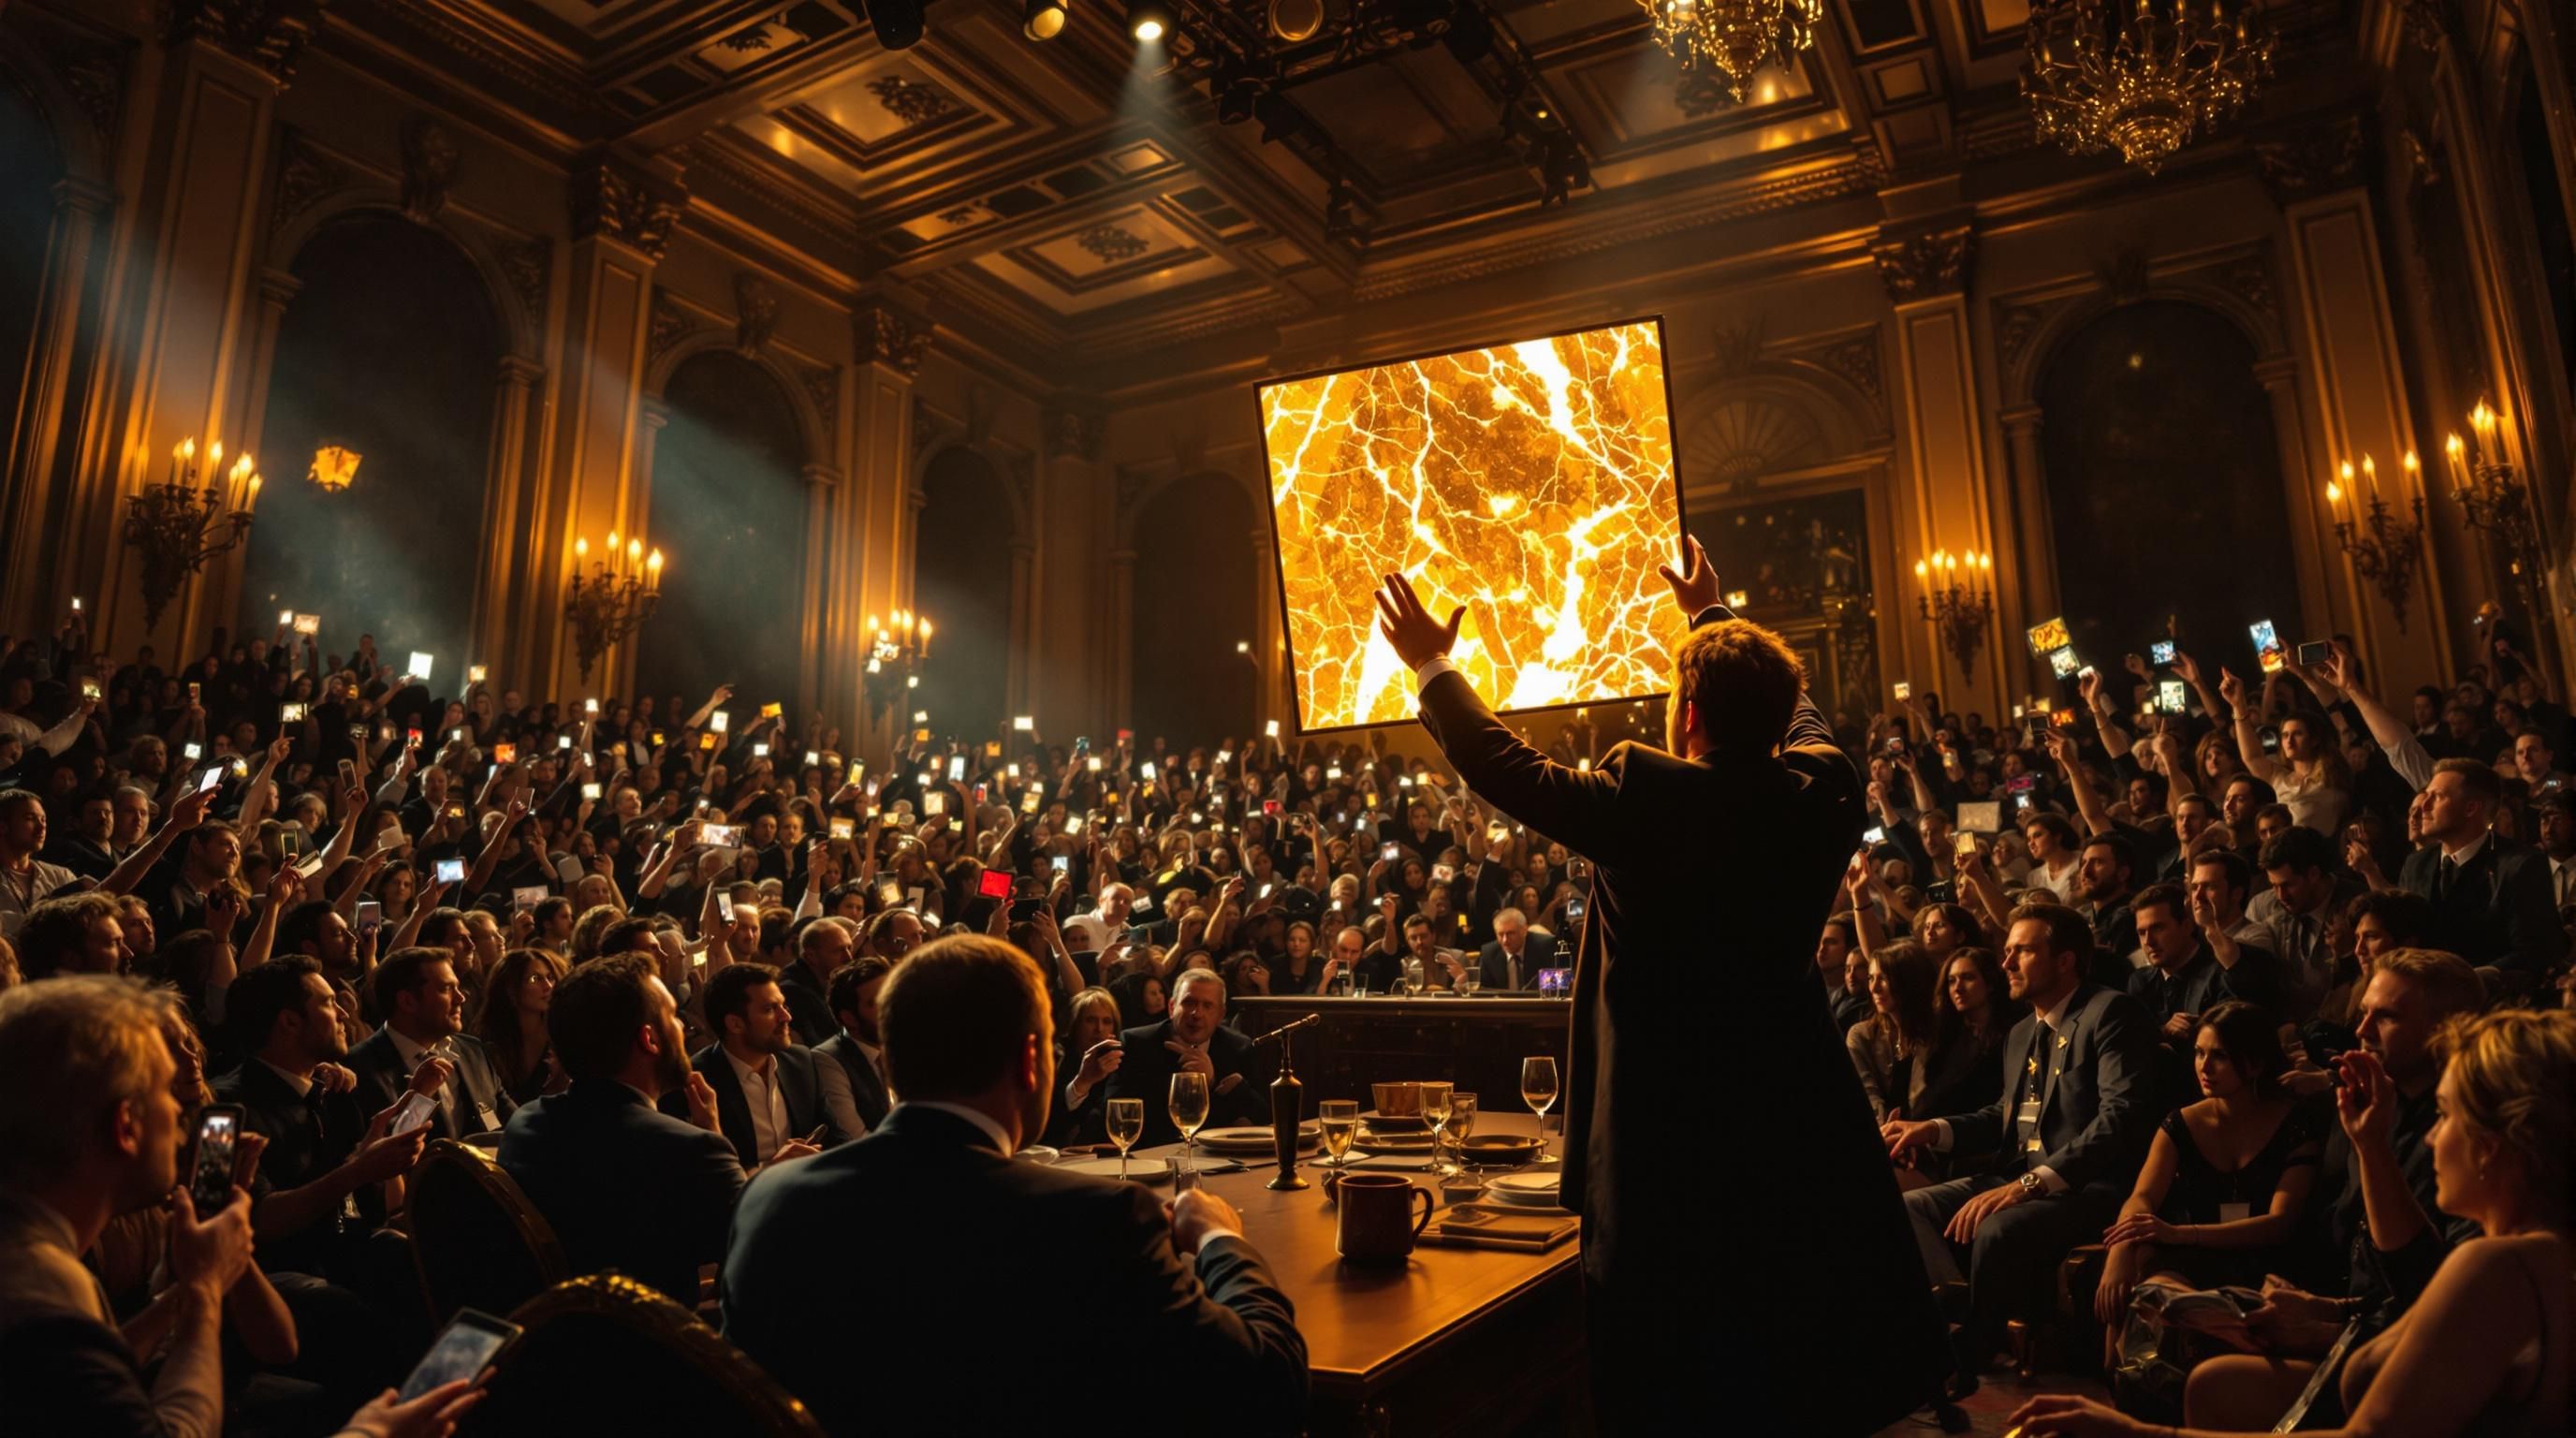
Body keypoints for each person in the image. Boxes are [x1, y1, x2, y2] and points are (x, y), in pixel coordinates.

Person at [1376, 545, 1946, 1434]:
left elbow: (1505, 767)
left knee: (1665, 1361)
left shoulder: (1650, 801)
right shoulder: (1826, 792)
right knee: (1777, 1337)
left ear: (1686, 715)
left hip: (1663, 1130)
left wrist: (1430, 664)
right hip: (1788, 1109)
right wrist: (1718, 622)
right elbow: (1807, 721)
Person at [719, 934, 1307, 1436]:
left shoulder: (770, 1199)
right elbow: (1266, 1385)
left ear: (893, 1063)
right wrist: (1219, 1241)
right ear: (1032, 1060)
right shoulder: (1098, 1220)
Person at [2010, 1006, 2573, 1438]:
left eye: (2447, 1115)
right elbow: (2418, 1284)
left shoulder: (2497, 1266)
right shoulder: (2537, 1249)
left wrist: (2138, 1434)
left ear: (2501, 1141)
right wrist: (2330, 1314)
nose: (2429, 1136)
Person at [0, 975, 476, 1438]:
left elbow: (279, 1341)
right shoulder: (37, 1290)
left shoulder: (40, 1243)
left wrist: (210, 1261)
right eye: (163, 1089)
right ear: (126, 1125)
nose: (184, 1110)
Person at [1883, 903, 2161, 1404]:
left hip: (2088, 1186)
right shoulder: (2020, 1034)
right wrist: (1934, 1129)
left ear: (2065, 961)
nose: (2006, 962)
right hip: (2018, 1179)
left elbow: (2120, 1118)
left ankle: (1969, 1352)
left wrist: (2031, 1185)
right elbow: (2004, 1117)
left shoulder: (2109, 1013)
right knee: (1911, 1207)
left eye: (2023, 951)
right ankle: (1964, 1322)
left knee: (1996, 1226)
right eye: (2007, 951)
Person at [497, 953, 746, 1304]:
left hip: (557, 1336)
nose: (684, 1028)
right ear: (649, 1039)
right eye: (673, 1016)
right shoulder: (691, 1150)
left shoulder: (527, 1123)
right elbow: (757, 1253)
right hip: (658, 1344)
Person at [2091, 1002, 2327, 1338]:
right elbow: (2142, 1196)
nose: (2205, 1067)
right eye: (2199, 1053)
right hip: (2194, 1261)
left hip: (2265, 1262)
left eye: (2220, 1056)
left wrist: (2179, 1233)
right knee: (2153, 1295)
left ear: (2255, 1063)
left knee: (2201, 1309)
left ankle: (2226, 1332)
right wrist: (2120, 1250)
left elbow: (2280, 1224)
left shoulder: (2294, 1125)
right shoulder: (2181, 1123)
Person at [656, 961, 845, 1167]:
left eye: (783, 1005)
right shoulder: (693, 1083)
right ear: (735, 1024)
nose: (786, 1017)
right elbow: (695, 1175)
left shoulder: (800, 1061)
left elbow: (834, 1137)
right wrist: (771, 1169)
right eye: (770, 1009)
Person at [2398, 758, 2567, 980]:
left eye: (2437, 796)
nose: (2423, 805)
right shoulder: (2416, 864)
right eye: (2426, 795)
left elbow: (2535, 949)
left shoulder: (2520, 865)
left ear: (2471, 808)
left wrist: (2470, 979)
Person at [345, 946, 516, 1143]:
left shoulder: (473, 1051)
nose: (461, 998)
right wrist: (419, 1099)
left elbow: (511, 1124)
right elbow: (380, 1154)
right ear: (407, 1002)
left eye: (458, 987)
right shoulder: (358, 1070)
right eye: (446, 989)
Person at [1103, 967, 1266, 1147]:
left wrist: (1211, 1082)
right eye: (1189, 1003)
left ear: (1221, 1015)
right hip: (1150, 1154)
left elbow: (1262, 1117)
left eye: (1207, 1006)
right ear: (1172, 1007)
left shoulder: (1238, 1047)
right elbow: (1115, 1111)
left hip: (1215, 1157)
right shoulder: (1137, 1043)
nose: (1197, 1014)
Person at [471, 946, 565, 1107]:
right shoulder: (487, 1041)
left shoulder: (561, 1036)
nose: (548, 986)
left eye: (550, 977)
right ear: (510, 987)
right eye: (536, 979)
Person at [811, 956, 890, 1136]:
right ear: (849, 1018)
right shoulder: (828, 1059)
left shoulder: (908, 1044)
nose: (891, 1006)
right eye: (877, 1002)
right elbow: (854, 1137)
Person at [1048, 985, 1122, 1146]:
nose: (1099, 1029)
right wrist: (1082, 1083)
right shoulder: (1056, 1058)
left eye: (1107, 1021)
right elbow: (1052, 1123)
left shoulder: (1120, 1062)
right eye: (1090, 1020)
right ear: (1075, 1025)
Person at [1475, 905, 1560, 990]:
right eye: (1500, 934)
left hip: (1536, 1002)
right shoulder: (1489, 953)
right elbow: (1483, 991)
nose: (1505, 940)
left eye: (1510, 933)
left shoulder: (1545, 946)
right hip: (1502, 1003)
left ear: (1524, 930)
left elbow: (1559, 984)